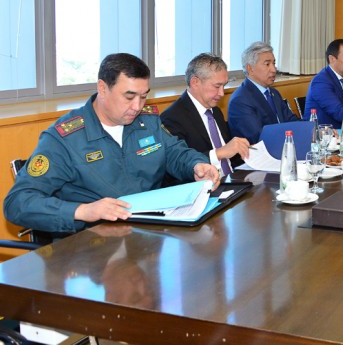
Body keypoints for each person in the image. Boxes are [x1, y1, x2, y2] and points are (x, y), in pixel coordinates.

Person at [3, 53, 220, 235]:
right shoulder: (64, 139)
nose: (137, 106)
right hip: (91, 245)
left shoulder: (147, 121)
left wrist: (196, 165)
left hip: (150, 233)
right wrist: (83, 211)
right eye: (129, 97)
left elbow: (175, 152)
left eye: (143, 97)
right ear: (103, 88)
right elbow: (17, 202)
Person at [161, 53, 250, 176]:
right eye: (217, 86)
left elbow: (229, 155)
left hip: (232, 178)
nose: (222, 93)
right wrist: (219, 153)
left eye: (224, 86)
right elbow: (179, 165)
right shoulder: (172, 118)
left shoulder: (215, 111)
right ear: (195, 82)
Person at [227, 42, 299, 144]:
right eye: (267, 64)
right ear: (250, 68)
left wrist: (310, 130)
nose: (274, 70)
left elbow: (292, 121)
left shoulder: (274, 93)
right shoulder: (240, 100)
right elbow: (258, 137)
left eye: (274, 63)